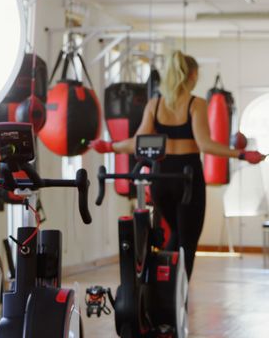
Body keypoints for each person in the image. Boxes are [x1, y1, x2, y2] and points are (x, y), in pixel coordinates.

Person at [90, 51, 264, 279]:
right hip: (187, 177)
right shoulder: (196, 104)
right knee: (187, 241)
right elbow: (206, 144)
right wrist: (242, 154)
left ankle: (162, 288)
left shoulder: (155, 104)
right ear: (192, 74)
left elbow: (138, 143)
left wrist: (110, 146)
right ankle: (177, 297)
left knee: (176, 235)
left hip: (160, 177)